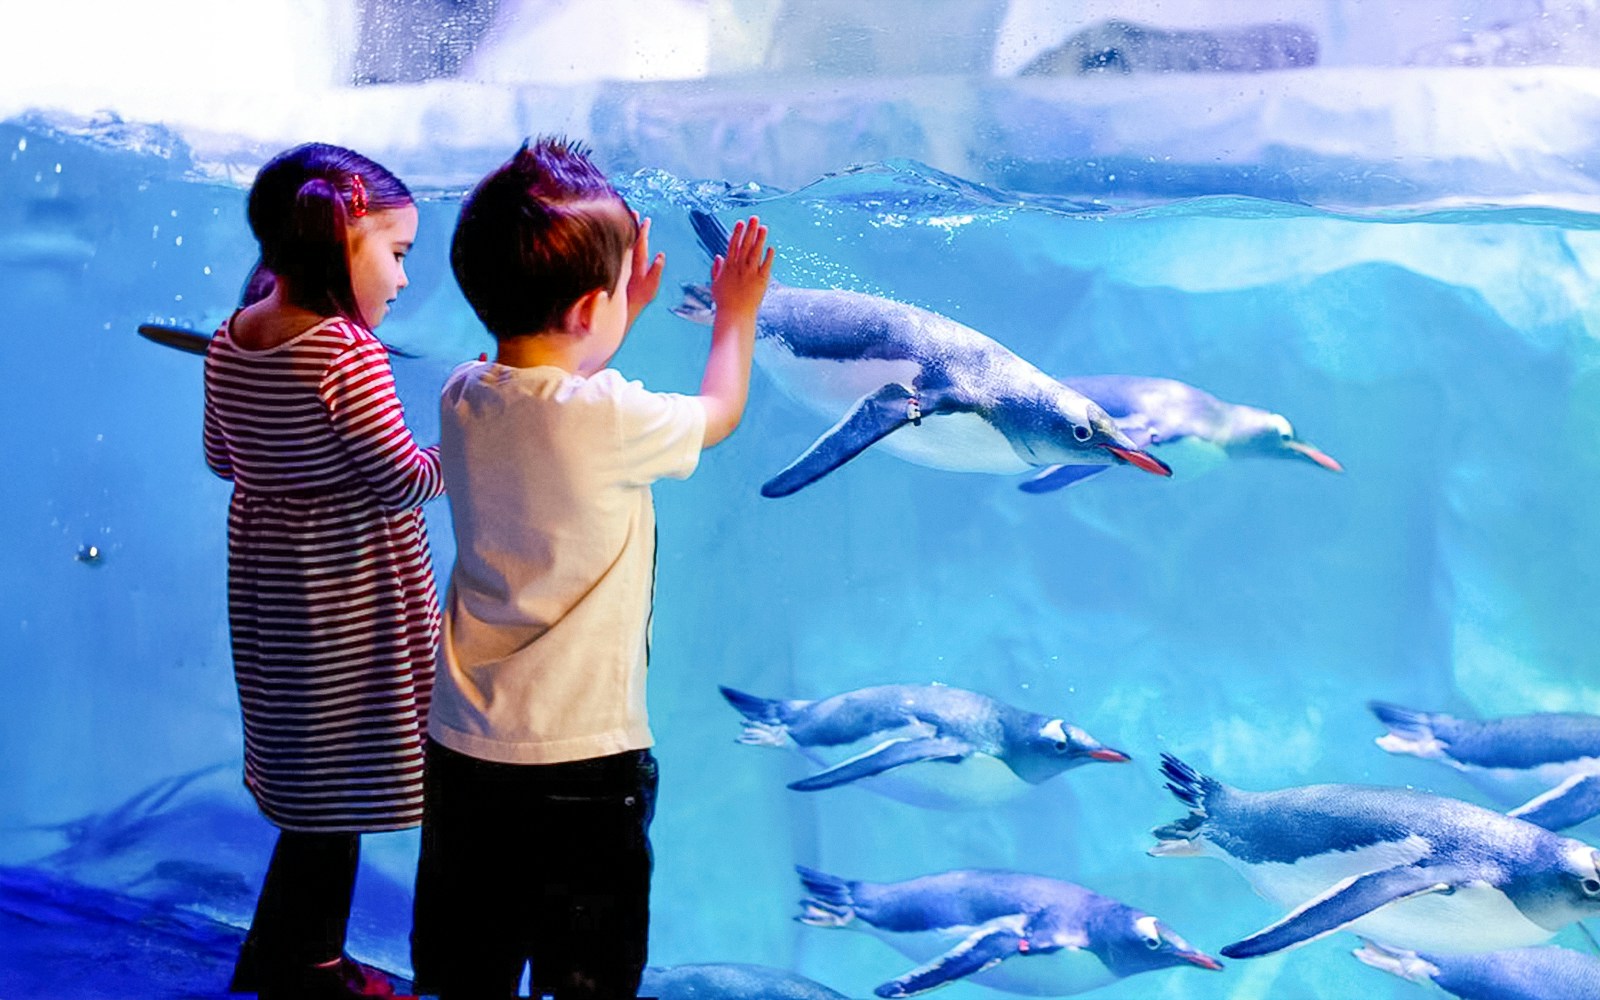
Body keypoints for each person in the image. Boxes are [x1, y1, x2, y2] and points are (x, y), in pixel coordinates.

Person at [410, 136, 773, 999]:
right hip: (585, 768)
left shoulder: (463, 398)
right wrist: (737, 313)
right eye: (616, 291)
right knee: (587, 977)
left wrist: (615, 309)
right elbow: (718, 412)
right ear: (584, 312)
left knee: (468, 967)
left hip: (465, 754)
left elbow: (550, 388)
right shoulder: (612, 419)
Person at [202, 142, 444, 999]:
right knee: (338, 803)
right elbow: (401, 478)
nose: (404, 281)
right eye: (399, 253)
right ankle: (309, 975)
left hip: (276, 596)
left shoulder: (232, 340)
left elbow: (221, 457)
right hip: (351, 599)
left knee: (310, 792)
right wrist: (463, 454)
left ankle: (276, 955)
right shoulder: (348, 353)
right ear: (342, 238)